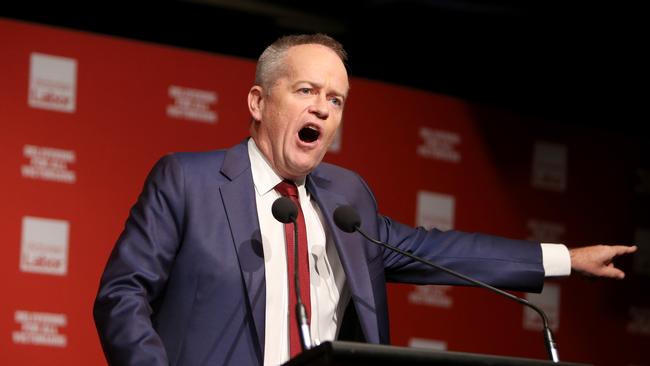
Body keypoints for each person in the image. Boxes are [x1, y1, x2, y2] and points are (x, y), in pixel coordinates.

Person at [93, 34, 637, 366]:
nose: (324, 109)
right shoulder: (187, 180)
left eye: (336, 99)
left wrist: (566, 259)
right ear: (259, 101)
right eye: (305, 91)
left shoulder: (346, 199)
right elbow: (121, 296)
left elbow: (436, 251)